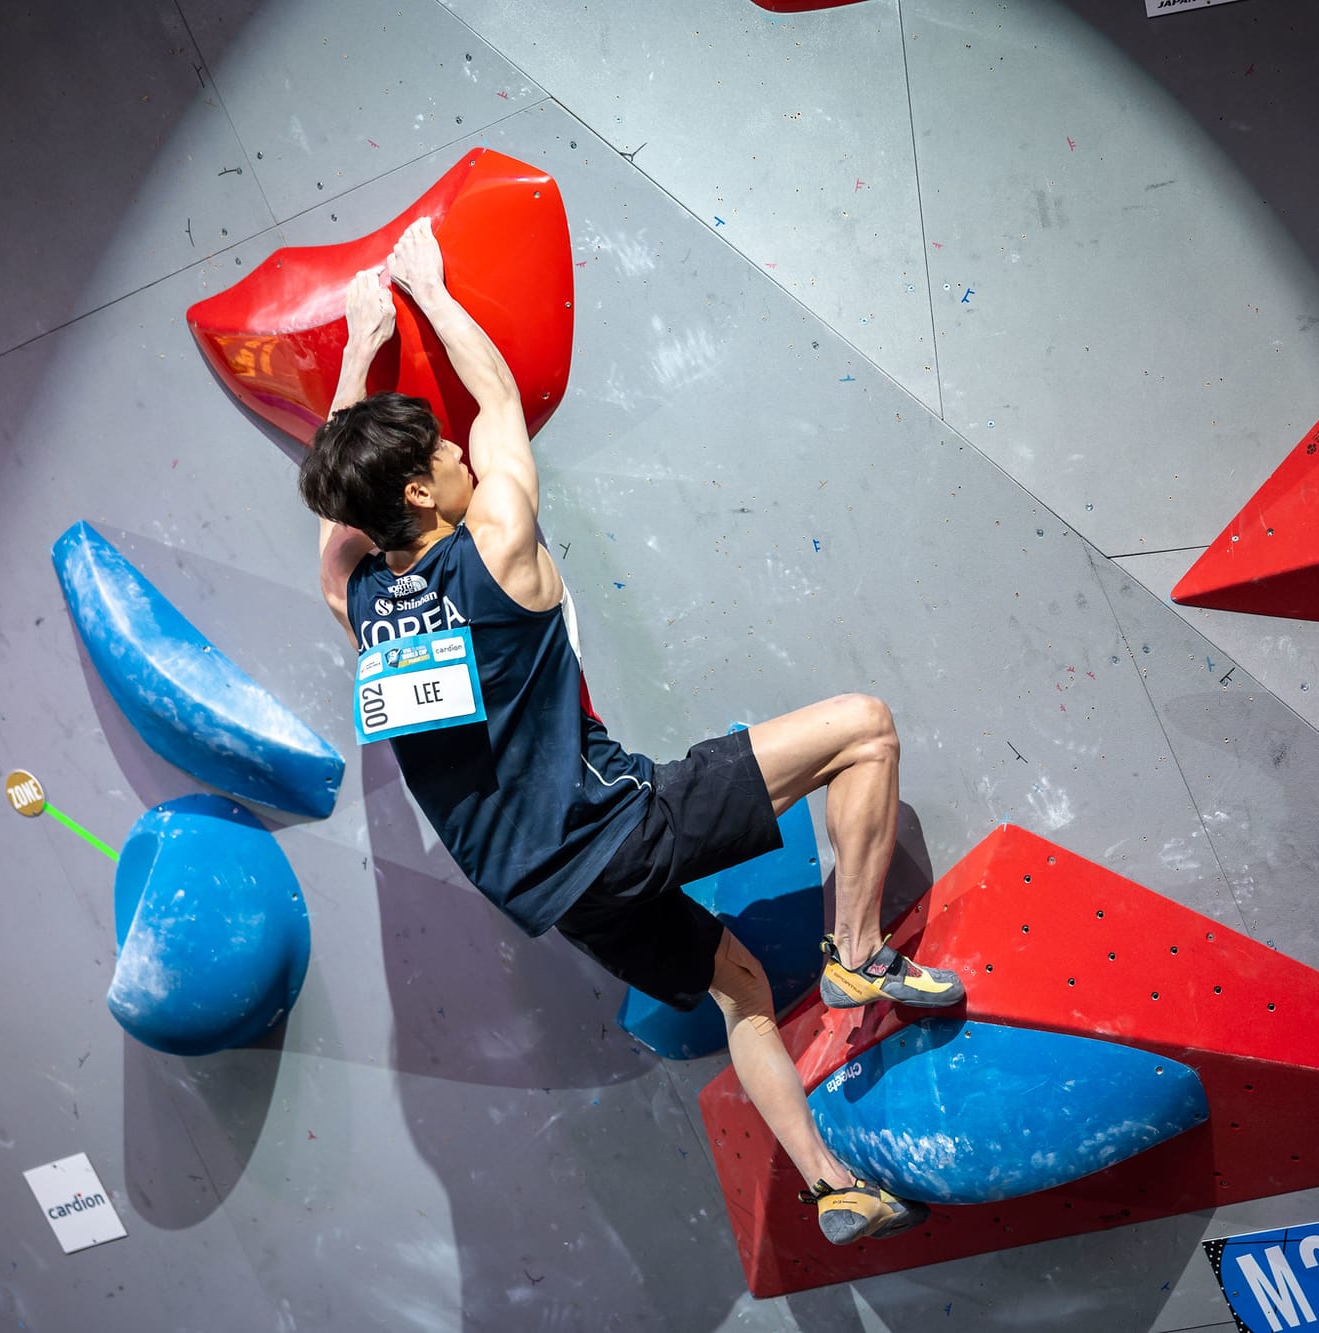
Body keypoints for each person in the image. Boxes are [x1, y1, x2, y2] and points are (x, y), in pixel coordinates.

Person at [297, 218, 965, 1245]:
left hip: (556, 894)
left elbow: (339, 525)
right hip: (619, 826)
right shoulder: (497, 556)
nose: (460, 454)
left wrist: (354, 348)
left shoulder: (365, 610)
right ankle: (860, 951)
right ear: (427, 494)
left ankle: (831, 1183)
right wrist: (428, 293)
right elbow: (502, 410)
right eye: (441, 455)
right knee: (863, 730)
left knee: (737, 983)